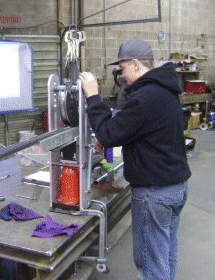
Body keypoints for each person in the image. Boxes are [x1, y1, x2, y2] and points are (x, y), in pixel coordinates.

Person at [79, 38, 191, 280]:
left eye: (124, 69)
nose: (123, 76)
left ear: (137, 64)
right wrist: (115, 135)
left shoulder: (145, 96)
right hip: (175, 187)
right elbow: (144, 130)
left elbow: (109, 133)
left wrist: (92, 97)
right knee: (165, 254)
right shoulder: (165, 90)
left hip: (154, 193)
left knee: (150, 265)